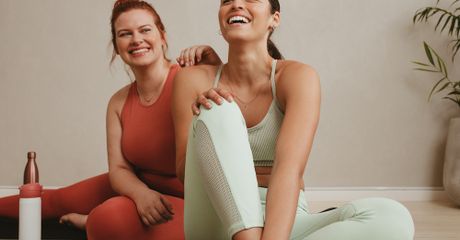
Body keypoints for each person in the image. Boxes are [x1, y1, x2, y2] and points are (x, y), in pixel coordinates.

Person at [172, 0, 415, 239]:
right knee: (218, 108)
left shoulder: (297, 77)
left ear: (274, 18)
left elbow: (288, 169)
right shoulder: (192, 79)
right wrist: (211, 119)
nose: (236, 4)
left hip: (285, 220)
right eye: (227, 0)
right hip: (216, 217)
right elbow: (185, 172)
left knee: (392, 217)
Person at [0, 0, 220, 239]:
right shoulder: (118, 102)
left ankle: (91, 220)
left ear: (163, 36)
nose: (136, 40)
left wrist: (215, 66)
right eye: (125, 34)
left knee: (108, 218)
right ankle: (96, 216)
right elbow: (119, 169)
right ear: (116, 46)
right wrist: (140, 195)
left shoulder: (190, 78)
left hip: (191, 202)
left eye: (145, 30)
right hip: (140, 184)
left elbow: (232, 105)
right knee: (57, 199)